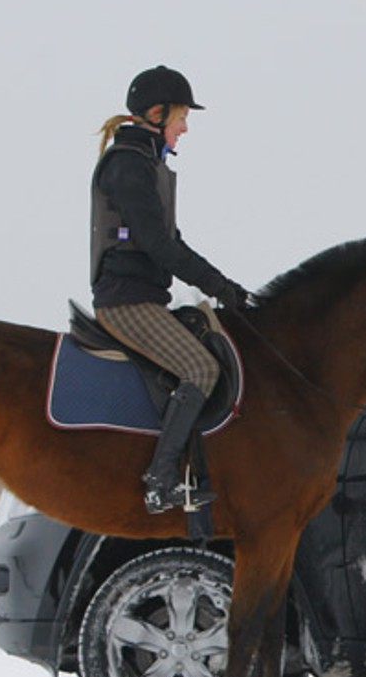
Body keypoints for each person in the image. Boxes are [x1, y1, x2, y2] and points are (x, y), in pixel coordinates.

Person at [91, 65, 249, 513]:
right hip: (126, 301)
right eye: (181, 117)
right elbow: (159, 246)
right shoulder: (127, 166)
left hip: (145, 296)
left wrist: (225, 285)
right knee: (200, 369)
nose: (185, 128)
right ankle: (160, 480)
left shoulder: (148, 165)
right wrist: (216, 284)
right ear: (157, 114)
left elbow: (172, 241)